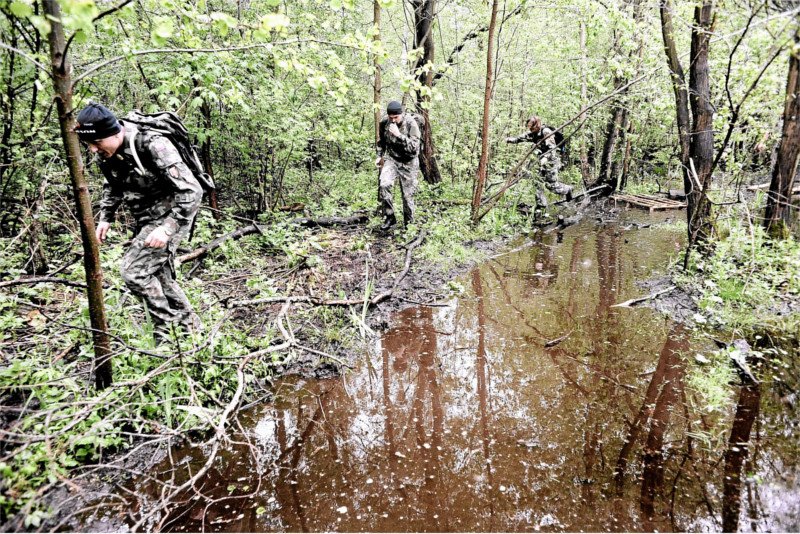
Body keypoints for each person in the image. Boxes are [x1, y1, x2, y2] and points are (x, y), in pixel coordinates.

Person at [74, 103, 203, 343]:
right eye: (88, 145)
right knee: (160, 274)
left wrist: (167, 228)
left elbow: (192, 191)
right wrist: (106, 217)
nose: (92, 150)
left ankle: (167, 332)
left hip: (174, 214)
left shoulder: (154, 144)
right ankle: (191, 328)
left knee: (133, 272)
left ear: (115, 133)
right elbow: (112, 182)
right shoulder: (108, 152)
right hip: (147, 216)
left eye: (97, 143)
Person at [506, 115, 572, 214]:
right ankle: (541, 207)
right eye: (529, 127)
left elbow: (552, 148)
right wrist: (510, 140)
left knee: (551, 185)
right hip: (540, 160)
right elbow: (521, 138)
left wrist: (546, 158)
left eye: (532, 126)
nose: (530, 129)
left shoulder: (546, 132)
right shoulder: (533, 133)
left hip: (551, 161)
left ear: (537, 125)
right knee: (537, 182)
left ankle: (567, 189)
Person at [376, 100, 421, 231]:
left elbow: (414, 148)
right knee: (384, 184)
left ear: (402, 114)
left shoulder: (411, 124)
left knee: (407, 196)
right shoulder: (385, 123)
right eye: (391, 118)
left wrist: (399, 135)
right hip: (392, 159)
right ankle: (389, 217)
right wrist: (379, 155)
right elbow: (381, 141)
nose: (394, 120)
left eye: (396, 117)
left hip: (409, 162)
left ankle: (409, 224)